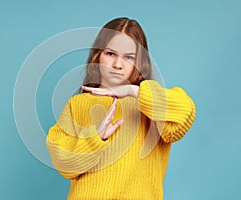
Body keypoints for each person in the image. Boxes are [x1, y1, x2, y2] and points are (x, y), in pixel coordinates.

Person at [46, 17, 196, 200]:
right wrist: (96, 137)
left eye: (129, 57)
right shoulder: (76, 105)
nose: (118, 64)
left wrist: (133, 91)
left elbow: (184, 114)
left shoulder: (152, 105)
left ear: (140, 63)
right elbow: (64, 163)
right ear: (97, 56)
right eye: (110, 54)